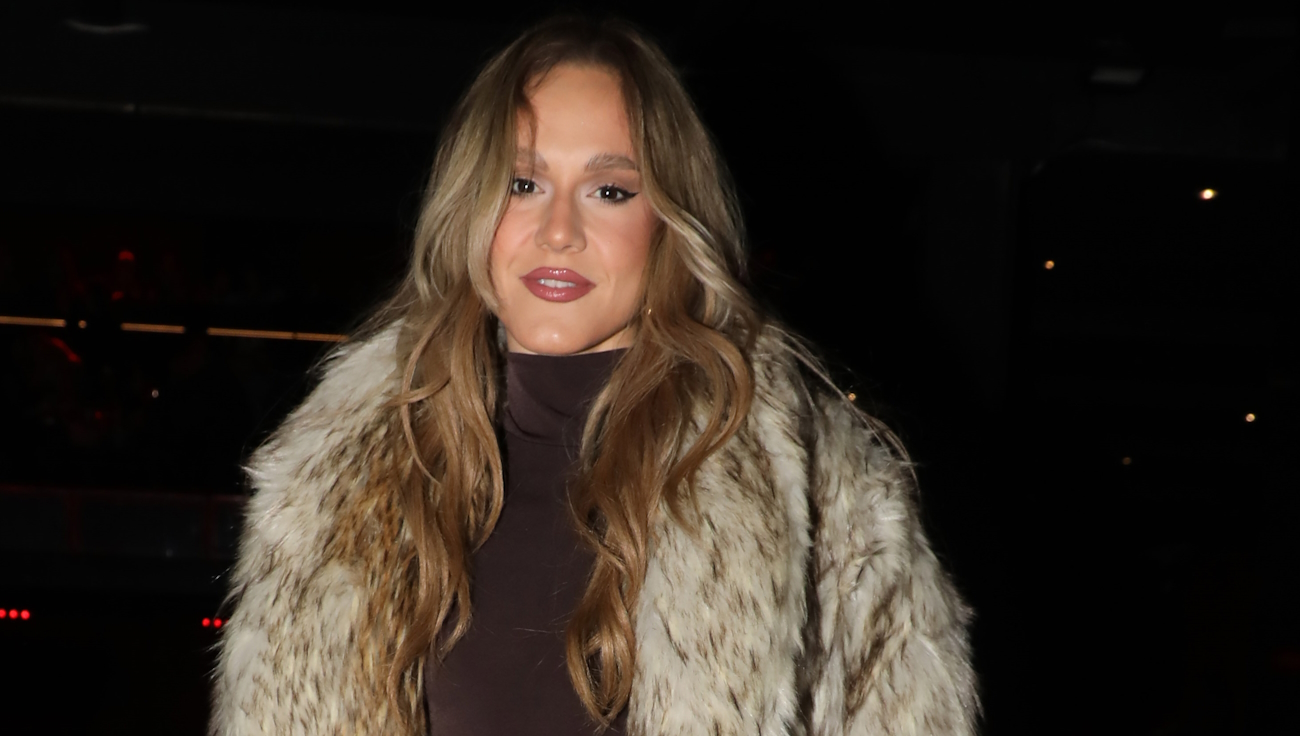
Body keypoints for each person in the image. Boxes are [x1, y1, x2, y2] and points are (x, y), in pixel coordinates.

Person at [210, 16, 978, 736]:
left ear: (668, 220)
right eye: (522, 183)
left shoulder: (822, 494)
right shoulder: (332, 490)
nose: (558, 231)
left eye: (609, 191)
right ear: (470, 205)